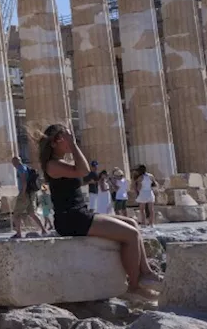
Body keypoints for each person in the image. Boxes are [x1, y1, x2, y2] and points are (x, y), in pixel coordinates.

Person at [38, 124, 160, 299]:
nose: (69, 140)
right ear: (53, 143)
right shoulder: (52, 165)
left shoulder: (61, 163)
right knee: (131, 235)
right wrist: (73, 145)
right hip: (71, 219)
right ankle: (134, 286)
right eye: (64, 138)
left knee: (133, 223)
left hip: (79, 213)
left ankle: (146, 272)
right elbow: (83, 170)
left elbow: (80, 176)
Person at [10, 155, 43, 238]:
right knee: (32, 213)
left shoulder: (20, 169)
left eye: (13, 162)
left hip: (25, 194)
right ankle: (43, 229)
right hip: (31, 193)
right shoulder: (26, 167)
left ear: (17, 161)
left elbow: (24, 181)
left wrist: (22, 193)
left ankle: (18, 233)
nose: (13, 164)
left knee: (16, 214)